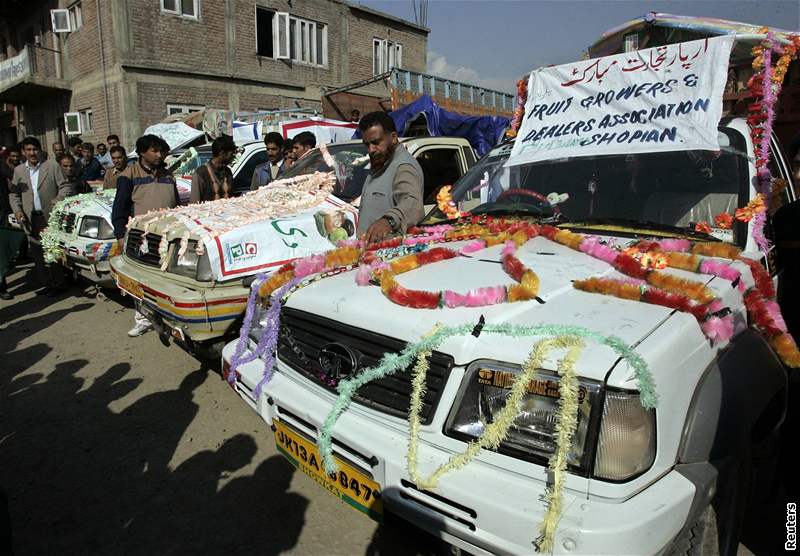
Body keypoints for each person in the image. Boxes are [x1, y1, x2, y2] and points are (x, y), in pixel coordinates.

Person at [111, 134, 180, 337]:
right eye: (155, 151)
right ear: (142, 152)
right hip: (140, 238)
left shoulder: (168, 175)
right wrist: (120, 234)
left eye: (162, 151)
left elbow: (175, 204)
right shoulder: (128, 174)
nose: (160, 155)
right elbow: (119, 209)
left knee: (164, 279)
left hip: (167, 237)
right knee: (139, 280)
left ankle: (166, 317)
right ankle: (142, 319)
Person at [8, 136, 75, 295]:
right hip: (30, 219)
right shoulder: (19, 171)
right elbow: (14, 195)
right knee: (37, 254)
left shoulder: (51, 166)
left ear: (39, 150)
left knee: (52, 251)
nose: (32, 153)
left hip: (49, 216)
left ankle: (59, 284)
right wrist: (18, 211)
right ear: (23, 152)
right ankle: (47, 283)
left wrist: (57, 199)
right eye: (28, 150)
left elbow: (66, 186)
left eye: (34, 149)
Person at [357, 111, 424, 243]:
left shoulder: (403, 166)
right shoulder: (381, 162)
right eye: (367, 145)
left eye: (376, 142)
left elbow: (413, 203)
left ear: (393, 137)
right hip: (369, 254)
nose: (371, 149)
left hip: (388, 256)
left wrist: (388, 221)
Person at [190, 135, 236, 203]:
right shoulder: (201, 173)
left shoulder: (227, 172)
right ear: (222, 153)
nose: (232, 157)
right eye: (231, 154)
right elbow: (194, 203)